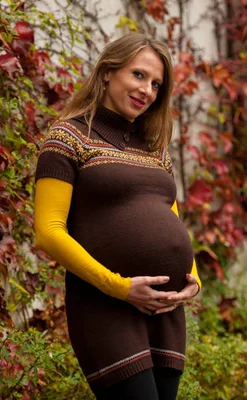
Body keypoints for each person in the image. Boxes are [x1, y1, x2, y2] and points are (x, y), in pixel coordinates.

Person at [34, 33, 201, 400]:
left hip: (165, 309)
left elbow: (168, 217)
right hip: (105, 304)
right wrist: (120, 287)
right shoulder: (68, 138)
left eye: (156, 84)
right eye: (139, 75)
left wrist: (194, 280)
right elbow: (48, 232)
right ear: (108, 72)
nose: (148, 90)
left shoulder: (155, 151)